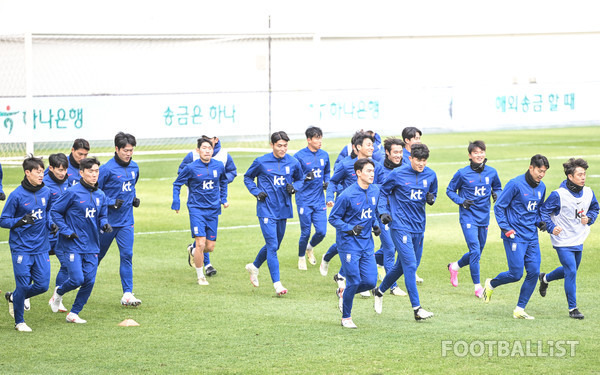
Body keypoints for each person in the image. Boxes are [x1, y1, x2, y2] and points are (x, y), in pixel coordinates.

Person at [372, 143, 436, 321]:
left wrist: (432, 198)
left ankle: (380, 290)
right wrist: (383, 212)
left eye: (424, 161)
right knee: (410, 265)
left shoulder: (431, 175)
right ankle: (417, 309)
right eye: (418, 160)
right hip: (399, 226)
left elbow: (433, 192)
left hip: (419, 227)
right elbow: (383, 192)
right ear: (410, 159)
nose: (421, 164)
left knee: (401, 265)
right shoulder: (398, 174)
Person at [482, 154, 549, 320]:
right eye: (539, 171)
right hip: (514, 235)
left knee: (534, 272)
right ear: (531, 167)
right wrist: (506, 228)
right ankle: (491, 284)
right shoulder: (515, 184)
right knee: (516, 274)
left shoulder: (542, 187)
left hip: (531, 237)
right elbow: (499, 207)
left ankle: (520, 309)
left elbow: (537, 210)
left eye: (544, 172)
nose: (541, 174)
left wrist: (540, 222)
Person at [321, 132, 383, 297]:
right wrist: (329, 198)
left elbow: (379, 188)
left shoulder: (375, 165)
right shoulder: (345, 164)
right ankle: (328, 259)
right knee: (345, 243)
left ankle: (346, 280)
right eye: (368, 144)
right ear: (357, 147)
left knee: (360, 247)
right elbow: (333, 181)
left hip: (366, 211)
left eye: (372, 145)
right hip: (348, 210)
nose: (372, 147)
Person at [49, 157, 110, 324]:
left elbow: (102, 215)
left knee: (89, 281)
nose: (94, 174)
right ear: (81, 173)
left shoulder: (101, 194)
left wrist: (104, 224)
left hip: (92, 245)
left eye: (96, 171)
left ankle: (74, 313)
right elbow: (55, 212)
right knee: (77, 279)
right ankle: (58, 293)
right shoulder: (72, 192)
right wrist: (67, 230)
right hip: (72, 243)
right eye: (90, 171)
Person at [538, 158, 598, 319]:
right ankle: (573, 309)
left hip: (578, 237)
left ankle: (545, 278)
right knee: (571, 270)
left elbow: (595, 208)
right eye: (580, 174)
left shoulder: (588, 192)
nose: (583, 177)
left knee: (569, 270)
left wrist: (590, 218)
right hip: (562, 240)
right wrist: (551, 228)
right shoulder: (558, 195)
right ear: (570, 177)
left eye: (584, 174)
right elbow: (543, 212)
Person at [244, 131, 302, 295]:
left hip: (283, 209)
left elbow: (300, 178)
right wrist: (256, 191)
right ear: (272, 145)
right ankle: (277, 284)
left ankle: (254, 267)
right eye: (279, 146)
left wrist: (294, 187)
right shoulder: (261, 162)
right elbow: (248, 177)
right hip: (266, 209)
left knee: (275, 244)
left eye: (285, 146)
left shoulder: (293, 162)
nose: (283, 149)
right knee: (272, 245)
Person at [0, 156, 53, 332]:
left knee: (43, 285)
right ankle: (19, 322)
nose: (41, 175)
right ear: (27, 172)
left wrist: (51, 225)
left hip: (41, 247)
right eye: (37, 172)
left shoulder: (46, 192)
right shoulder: (16, 195)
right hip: (21, 247)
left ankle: (15, 297)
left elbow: (49, 213)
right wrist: (21, 221)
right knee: (23, 285)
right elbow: (3, 220)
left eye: (42, 171)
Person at [446, 141, 502, 298]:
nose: (479, 155)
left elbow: (497, 187)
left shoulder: (491, 172)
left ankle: (455, 266)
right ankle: (478, 287)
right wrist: (461, 201)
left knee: (476, 253)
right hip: (468, 216)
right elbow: (450, 190)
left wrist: (497, 193)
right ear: (470, 155)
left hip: (484, 217)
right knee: (475, 250)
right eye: (476, 152)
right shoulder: (462, 173)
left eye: (482, 152)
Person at [328, 158, 379, 328]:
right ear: (358, 173)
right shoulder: (346, 195)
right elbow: (333, 218)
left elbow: (372, 213)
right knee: (355, 281)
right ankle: (346, 318)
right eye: (368, 171)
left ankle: (343, 293)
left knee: (371, 282)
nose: (372, 174)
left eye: (373, 171)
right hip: (348, 244)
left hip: (367, 243)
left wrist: (376, 225)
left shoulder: (375, 191)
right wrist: (349, 228)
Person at [178, 133, 237, 277]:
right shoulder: (192, 155)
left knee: (208, 245)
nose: (207, 145)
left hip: (213, 202)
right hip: (196, 203)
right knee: (201, 241)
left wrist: (215, 180)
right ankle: (206, 266)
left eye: (209, 139)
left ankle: (194, 251)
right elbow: (181, 172)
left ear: (216, 140)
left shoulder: (224, 155)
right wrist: (198, 183)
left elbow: (232, 172)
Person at [97, 132, 142, 306]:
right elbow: (94, 193)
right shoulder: (106, 169)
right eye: (125, 150)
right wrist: (110, 202)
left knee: (127, 255)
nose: (129, 154)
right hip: (106, 222)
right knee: (96, 258)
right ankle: (79, 284)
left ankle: (127, 294)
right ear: (116, 149)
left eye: (131, 150)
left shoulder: (135, 168)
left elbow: (131, 187)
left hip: (126, 222)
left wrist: (134, 199)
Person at [293, 126, 330, 270]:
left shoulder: (324, 155)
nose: (319, 141)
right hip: (304, 199)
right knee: (306, 232)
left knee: (322, 231)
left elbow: (327, 172)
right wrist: (305, 178)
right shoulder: (299, 156)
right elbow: (294, 177)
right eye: (316, 138)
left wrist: (327, 181)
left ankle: (309, 247)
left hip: (319, 199)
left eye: (321, 137)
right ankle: (301, 257)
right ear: (309, 140)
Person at [373, 137, 407, 296]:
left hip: (401, 215)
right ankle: (392, 286)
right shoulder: (379, 170)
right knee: (390, 248)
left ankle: (367, 261)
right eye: (395, 152)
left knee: (397, 248)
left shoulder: (407, 167)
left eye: (400, 152)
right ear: (387, 152)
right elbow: (376, 193)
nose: (398, 155)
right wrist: (378, 215)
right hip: (384, 214)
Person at [43, 153, 70, 313]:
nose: (62, 173)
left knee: (66, 265)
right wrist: (50, 223)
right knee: (36, 267)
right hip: (46, 233)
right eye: (59, 170)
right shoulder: (43, 184)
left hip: (61, 232)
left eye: (65, 169)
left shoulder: (67, 181)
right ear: (51, 168)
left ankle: (57, 298)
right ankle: (23, 296)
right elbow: (44, 209)